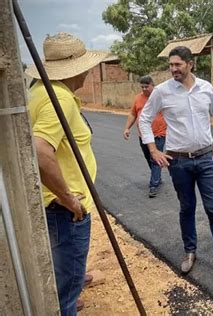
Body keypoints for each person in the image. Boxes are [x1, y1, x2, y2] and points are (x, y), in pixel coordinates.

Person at [139, 46, 213, 278]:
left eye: (177, 65)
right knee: (187, 208)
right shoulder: (162, 91)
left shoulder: (206, 88)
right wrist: (154, 150)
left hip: (206, 158)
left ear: (190, 64)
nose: (173, 69)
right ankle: (190, 252)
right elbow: (144, 119)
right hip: (178, 162)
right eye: (171, 65)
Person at [26, 32, 107, 315]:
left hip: (55, 206)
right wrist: (69, 199)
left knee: (64, 271)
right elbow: (38, 150)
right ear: (78, 68)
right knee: (66, 292)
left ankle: (72, 284)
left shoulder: (40, 90)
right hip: (65, 210)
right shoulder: (57, 98)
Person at [123, 75, 167, 198]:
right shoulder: (138, 98)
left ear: (152, 85)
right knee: (149, 158)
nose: (144, 89)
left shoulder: (160, 97)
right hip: (143, 135)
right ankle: (156, 176)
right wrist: (127, 128)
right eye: (142, 87)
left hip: (158, 134)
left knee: (155, 159)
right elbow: (133, 114)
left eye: (146, 87)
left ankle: (153, 185)